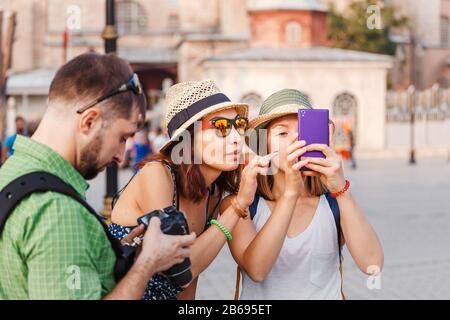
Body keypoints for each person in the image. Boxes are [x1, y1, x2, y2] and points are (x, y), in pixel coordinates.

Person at [0, 52, 196, 300]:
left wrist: (122, 253)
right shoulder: (58, 210)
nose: (120, 155)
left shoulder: (14, 169)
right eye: (122, 137)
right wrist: (147, 264)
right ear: (89, 122)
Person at [109, 80, 271, 299]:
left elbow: (187, 287)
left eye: (239, 125)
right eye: (221, 127)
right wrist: (238, 205)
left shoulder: (212, 192)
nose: (236, 138)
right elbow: (180, 271)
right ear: (188, 139)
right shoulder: (157, 174)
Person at [222, 89, 384, 300]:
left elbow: (372, 264)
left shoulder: (334, 203)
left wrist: (341, 190)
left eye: (304, 131)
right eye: (282, 133)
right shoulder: (241, 205)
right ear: (265, 146)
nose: (296, 141)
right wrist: (291, 193)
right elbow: (257, 270)